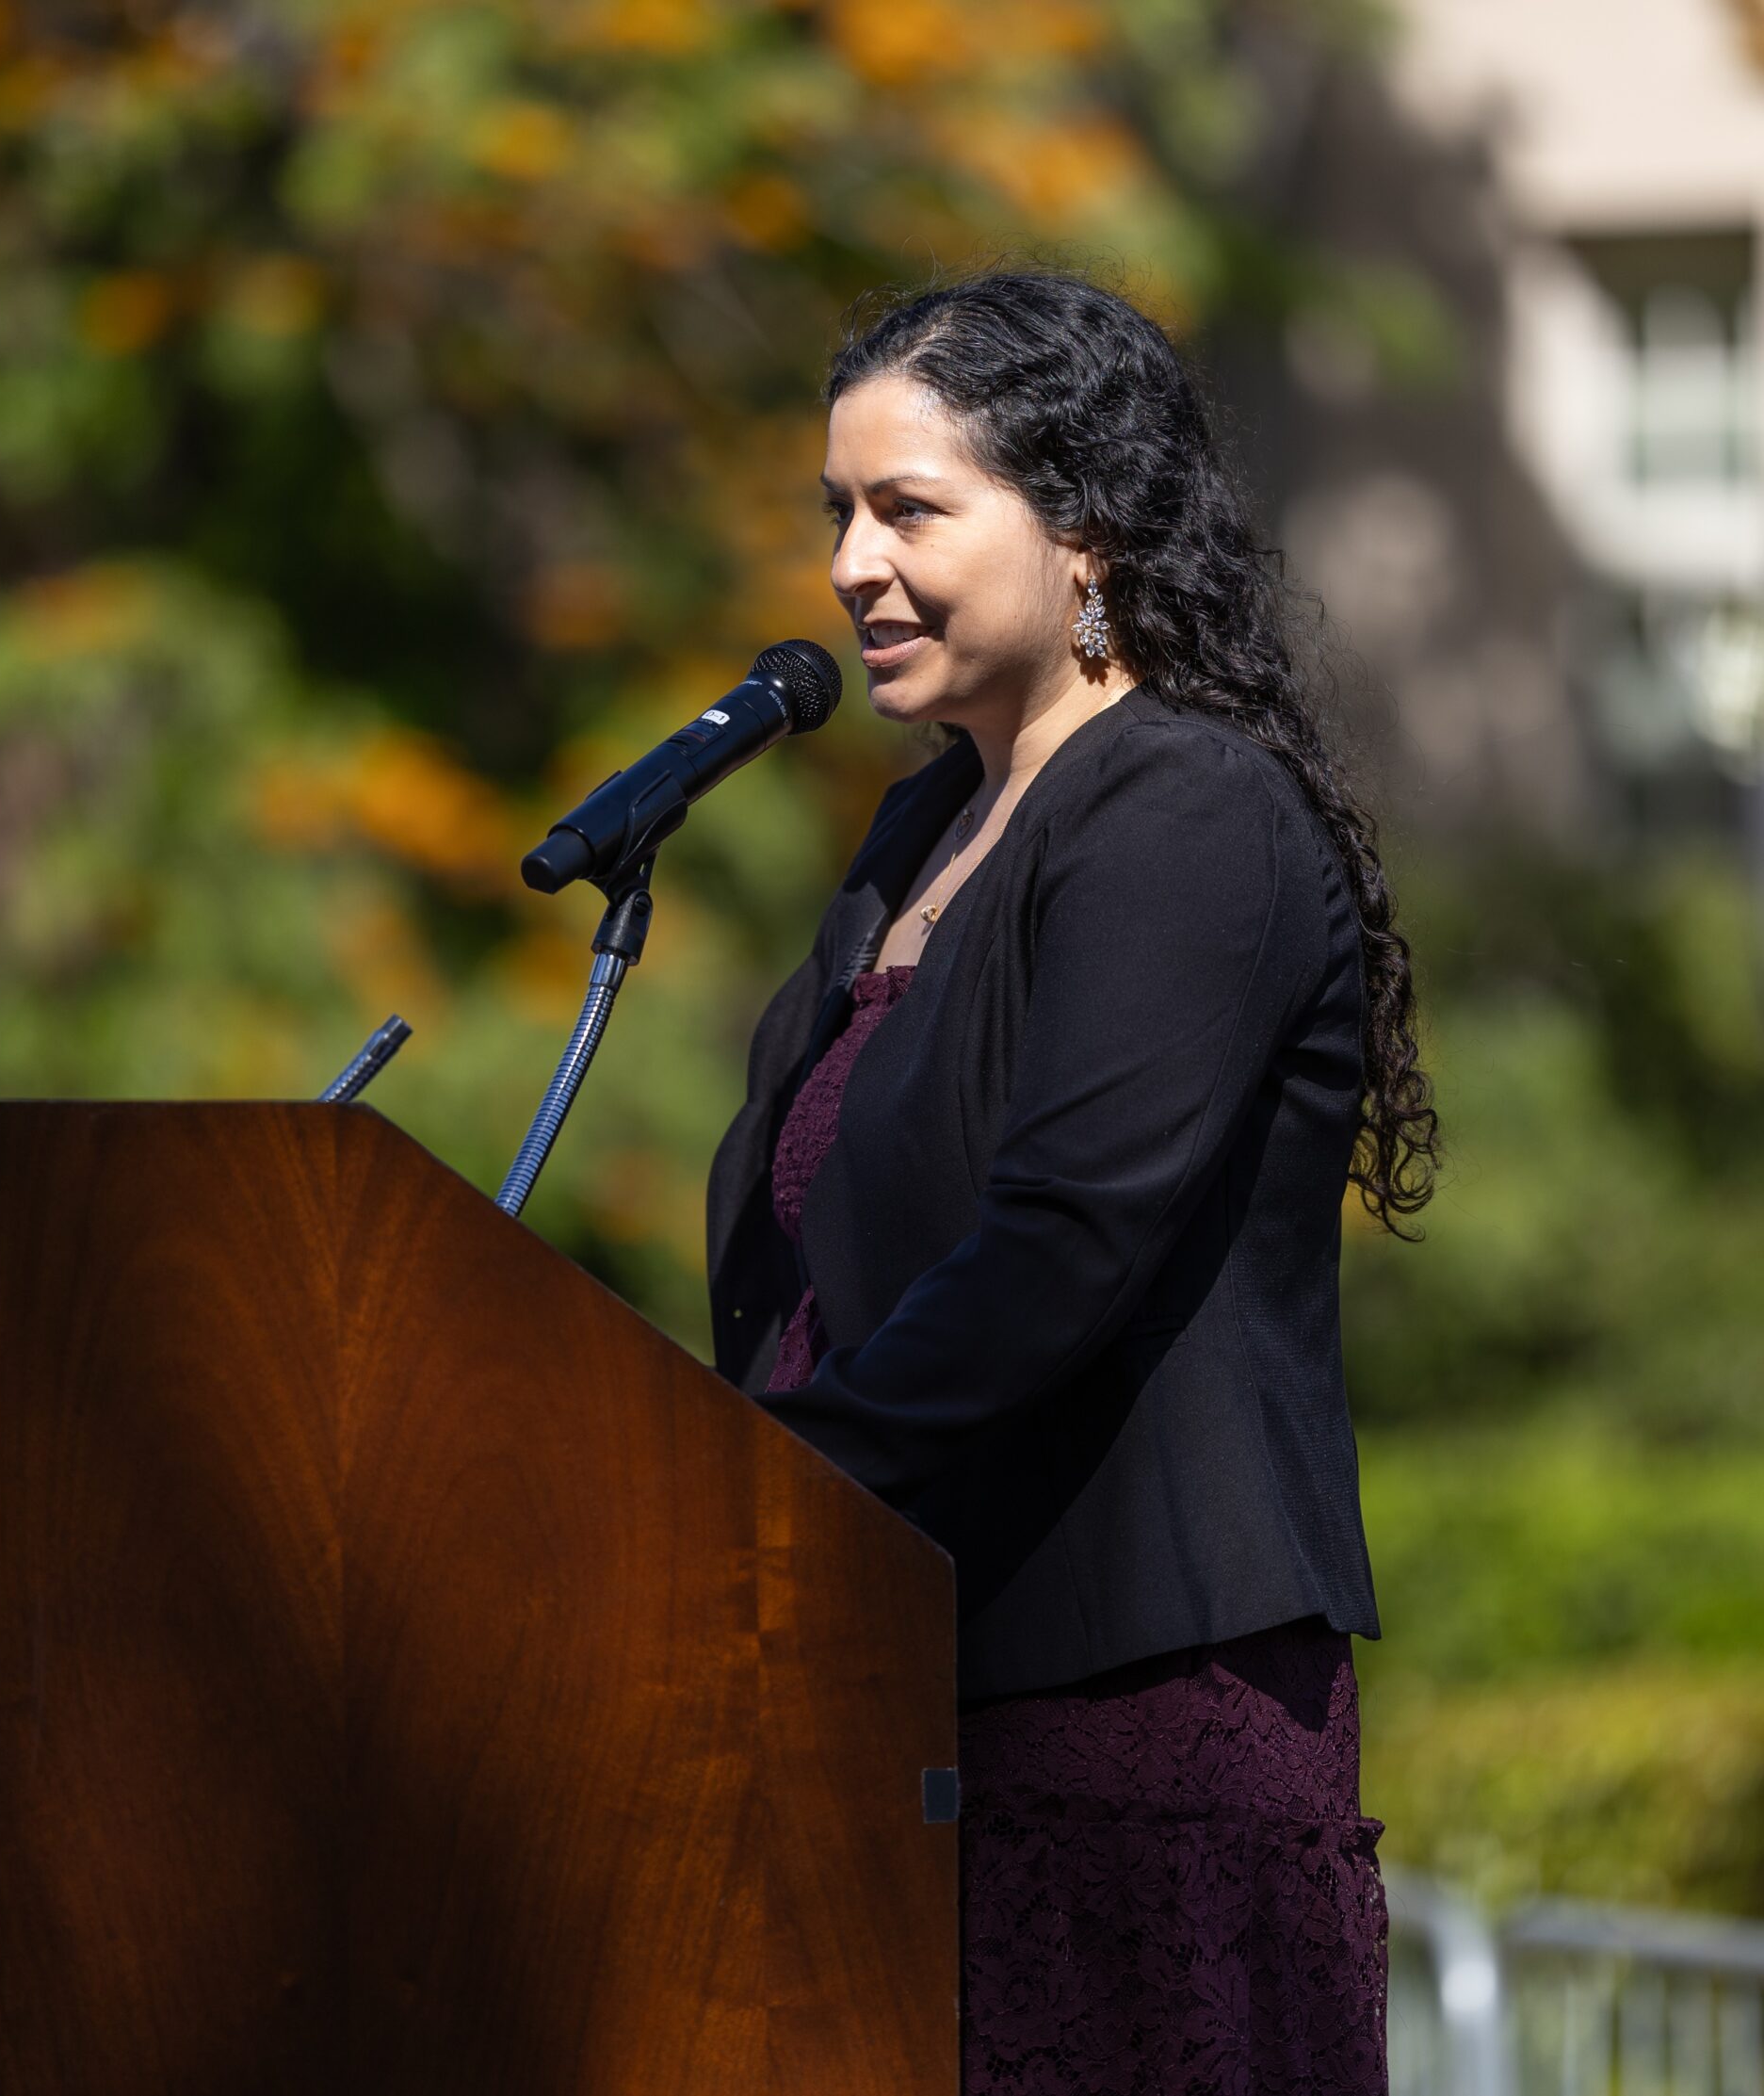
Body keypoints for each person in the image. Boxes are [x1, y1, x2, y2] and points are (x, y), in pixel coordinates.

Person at [705, 271, 1439, 2093]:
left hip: (1120, 1738)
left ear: (1089, 525)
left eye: (909, 509)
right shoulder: (913, 839)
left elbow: (1057, 1246)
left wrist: (755, 1500)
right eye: (837, 514)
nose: (852, 565)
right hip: (898, 1703)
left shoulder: (1187, 808)